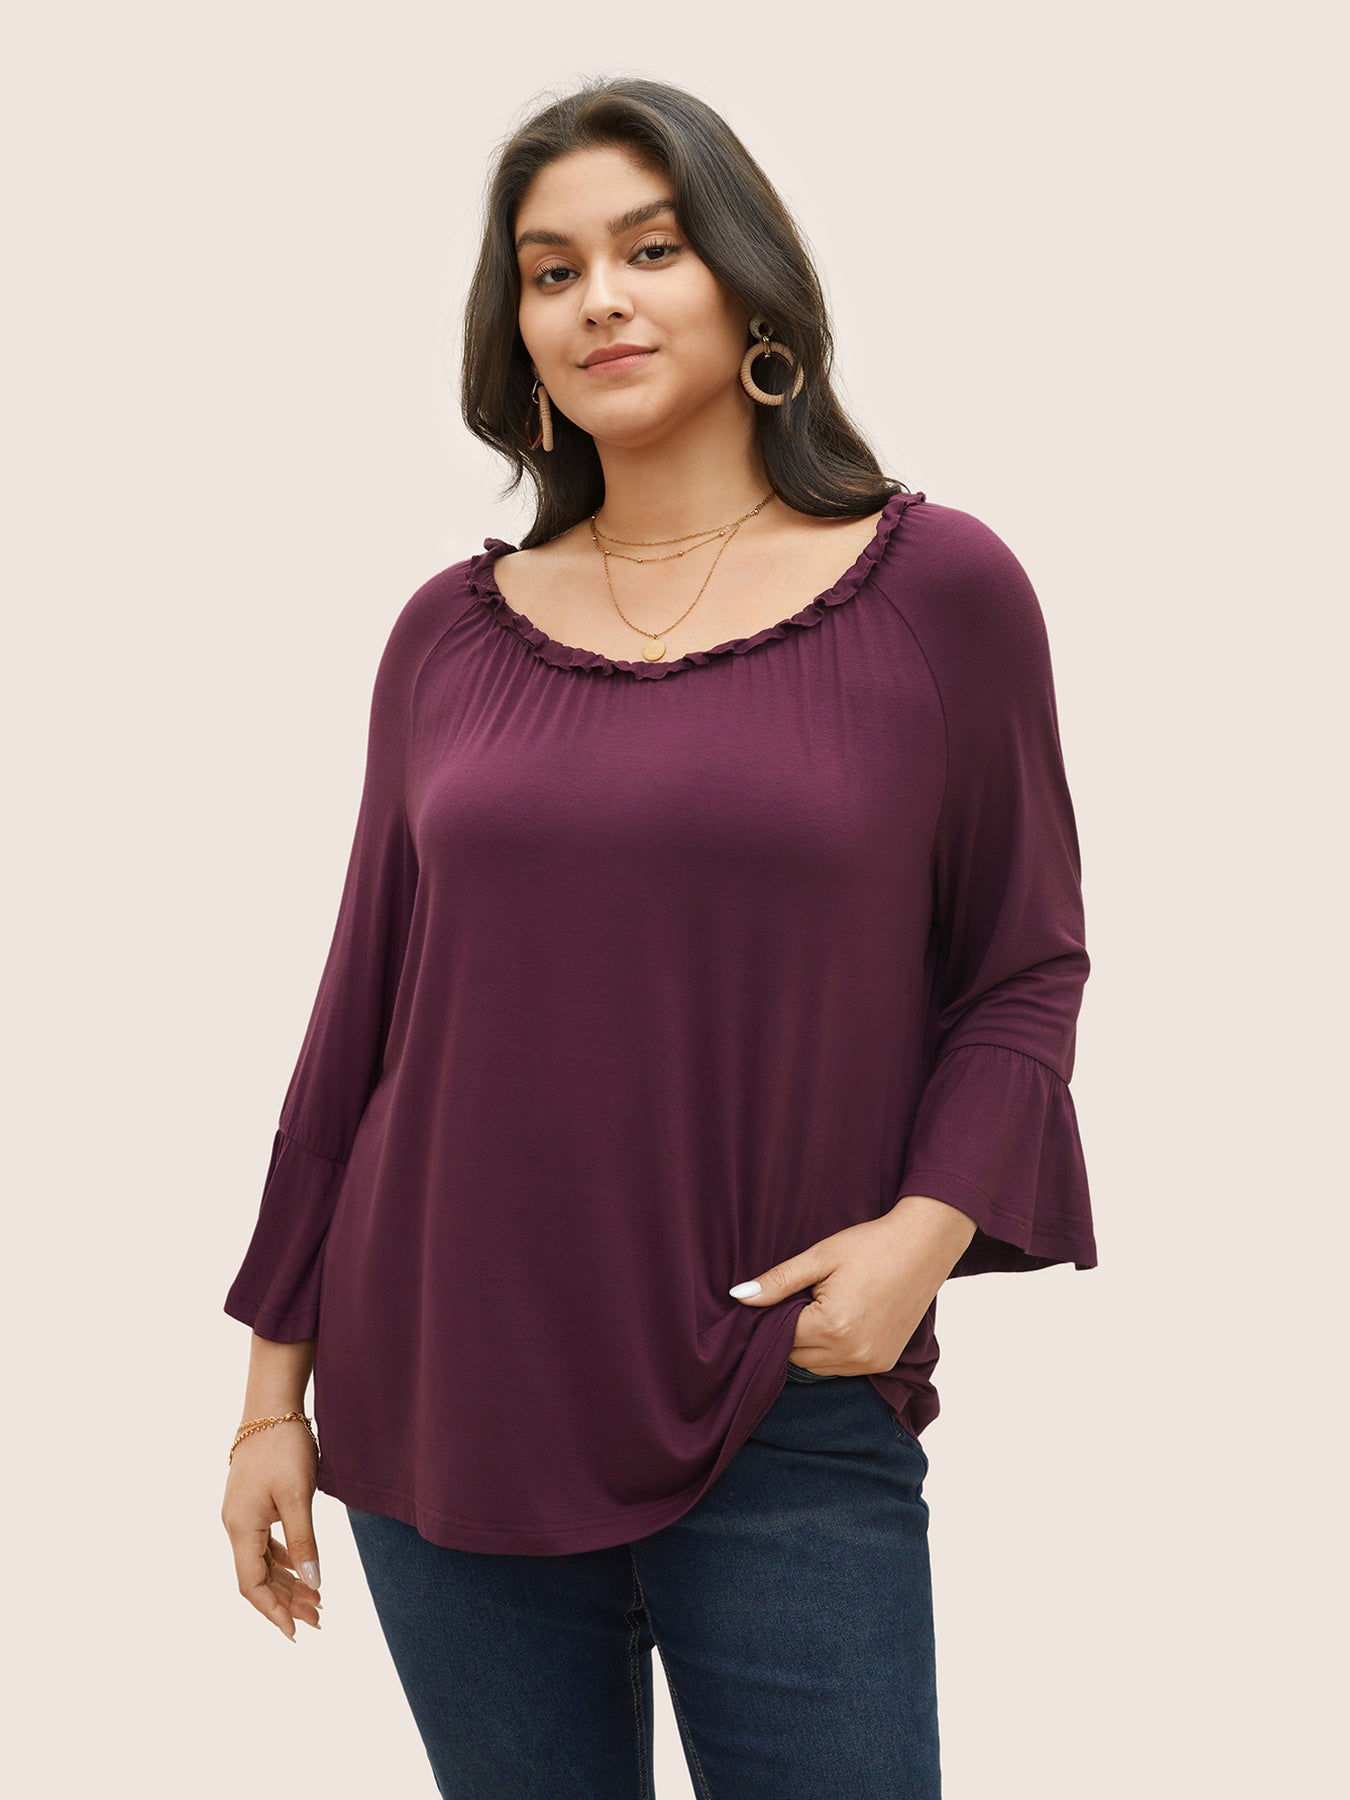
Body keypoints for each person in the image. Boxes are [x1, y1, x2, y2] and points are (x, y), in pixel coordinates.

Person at [220, 75, 1097, 1800]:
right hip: (444, 1388)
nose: (599, 300)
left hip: (777, 1387)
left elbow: (1022, 965)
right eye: (551, 272)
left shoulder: (938, 590)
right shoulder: (448, 634)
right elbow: (360, 1021)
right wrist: (269, 1397)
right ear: (517, 335)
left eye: (651, 248)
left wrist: (920, 1238)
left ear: (750, 287)